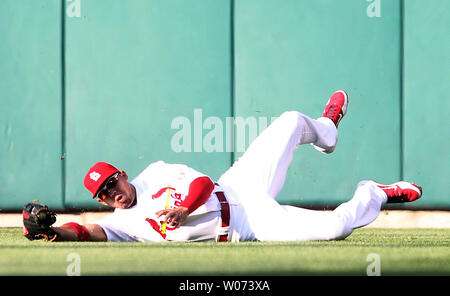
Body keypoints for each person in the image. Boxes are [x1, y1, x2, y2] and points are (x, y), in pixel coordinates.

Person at [23, 90, 422, 242]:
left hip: (237, 187)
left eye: (111, 182)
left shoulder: (154, 175)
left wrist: (183, 209)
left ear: (122, 173)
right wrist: (50, 230)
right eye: (104, 194)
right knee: (335, 228)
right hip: (249, 226)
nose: (112, 193)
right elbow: (86, 232)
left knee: (288, 120)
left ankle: (326, 131)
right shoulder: (120, 225)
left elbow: (199, 183)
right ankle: (373, 193)